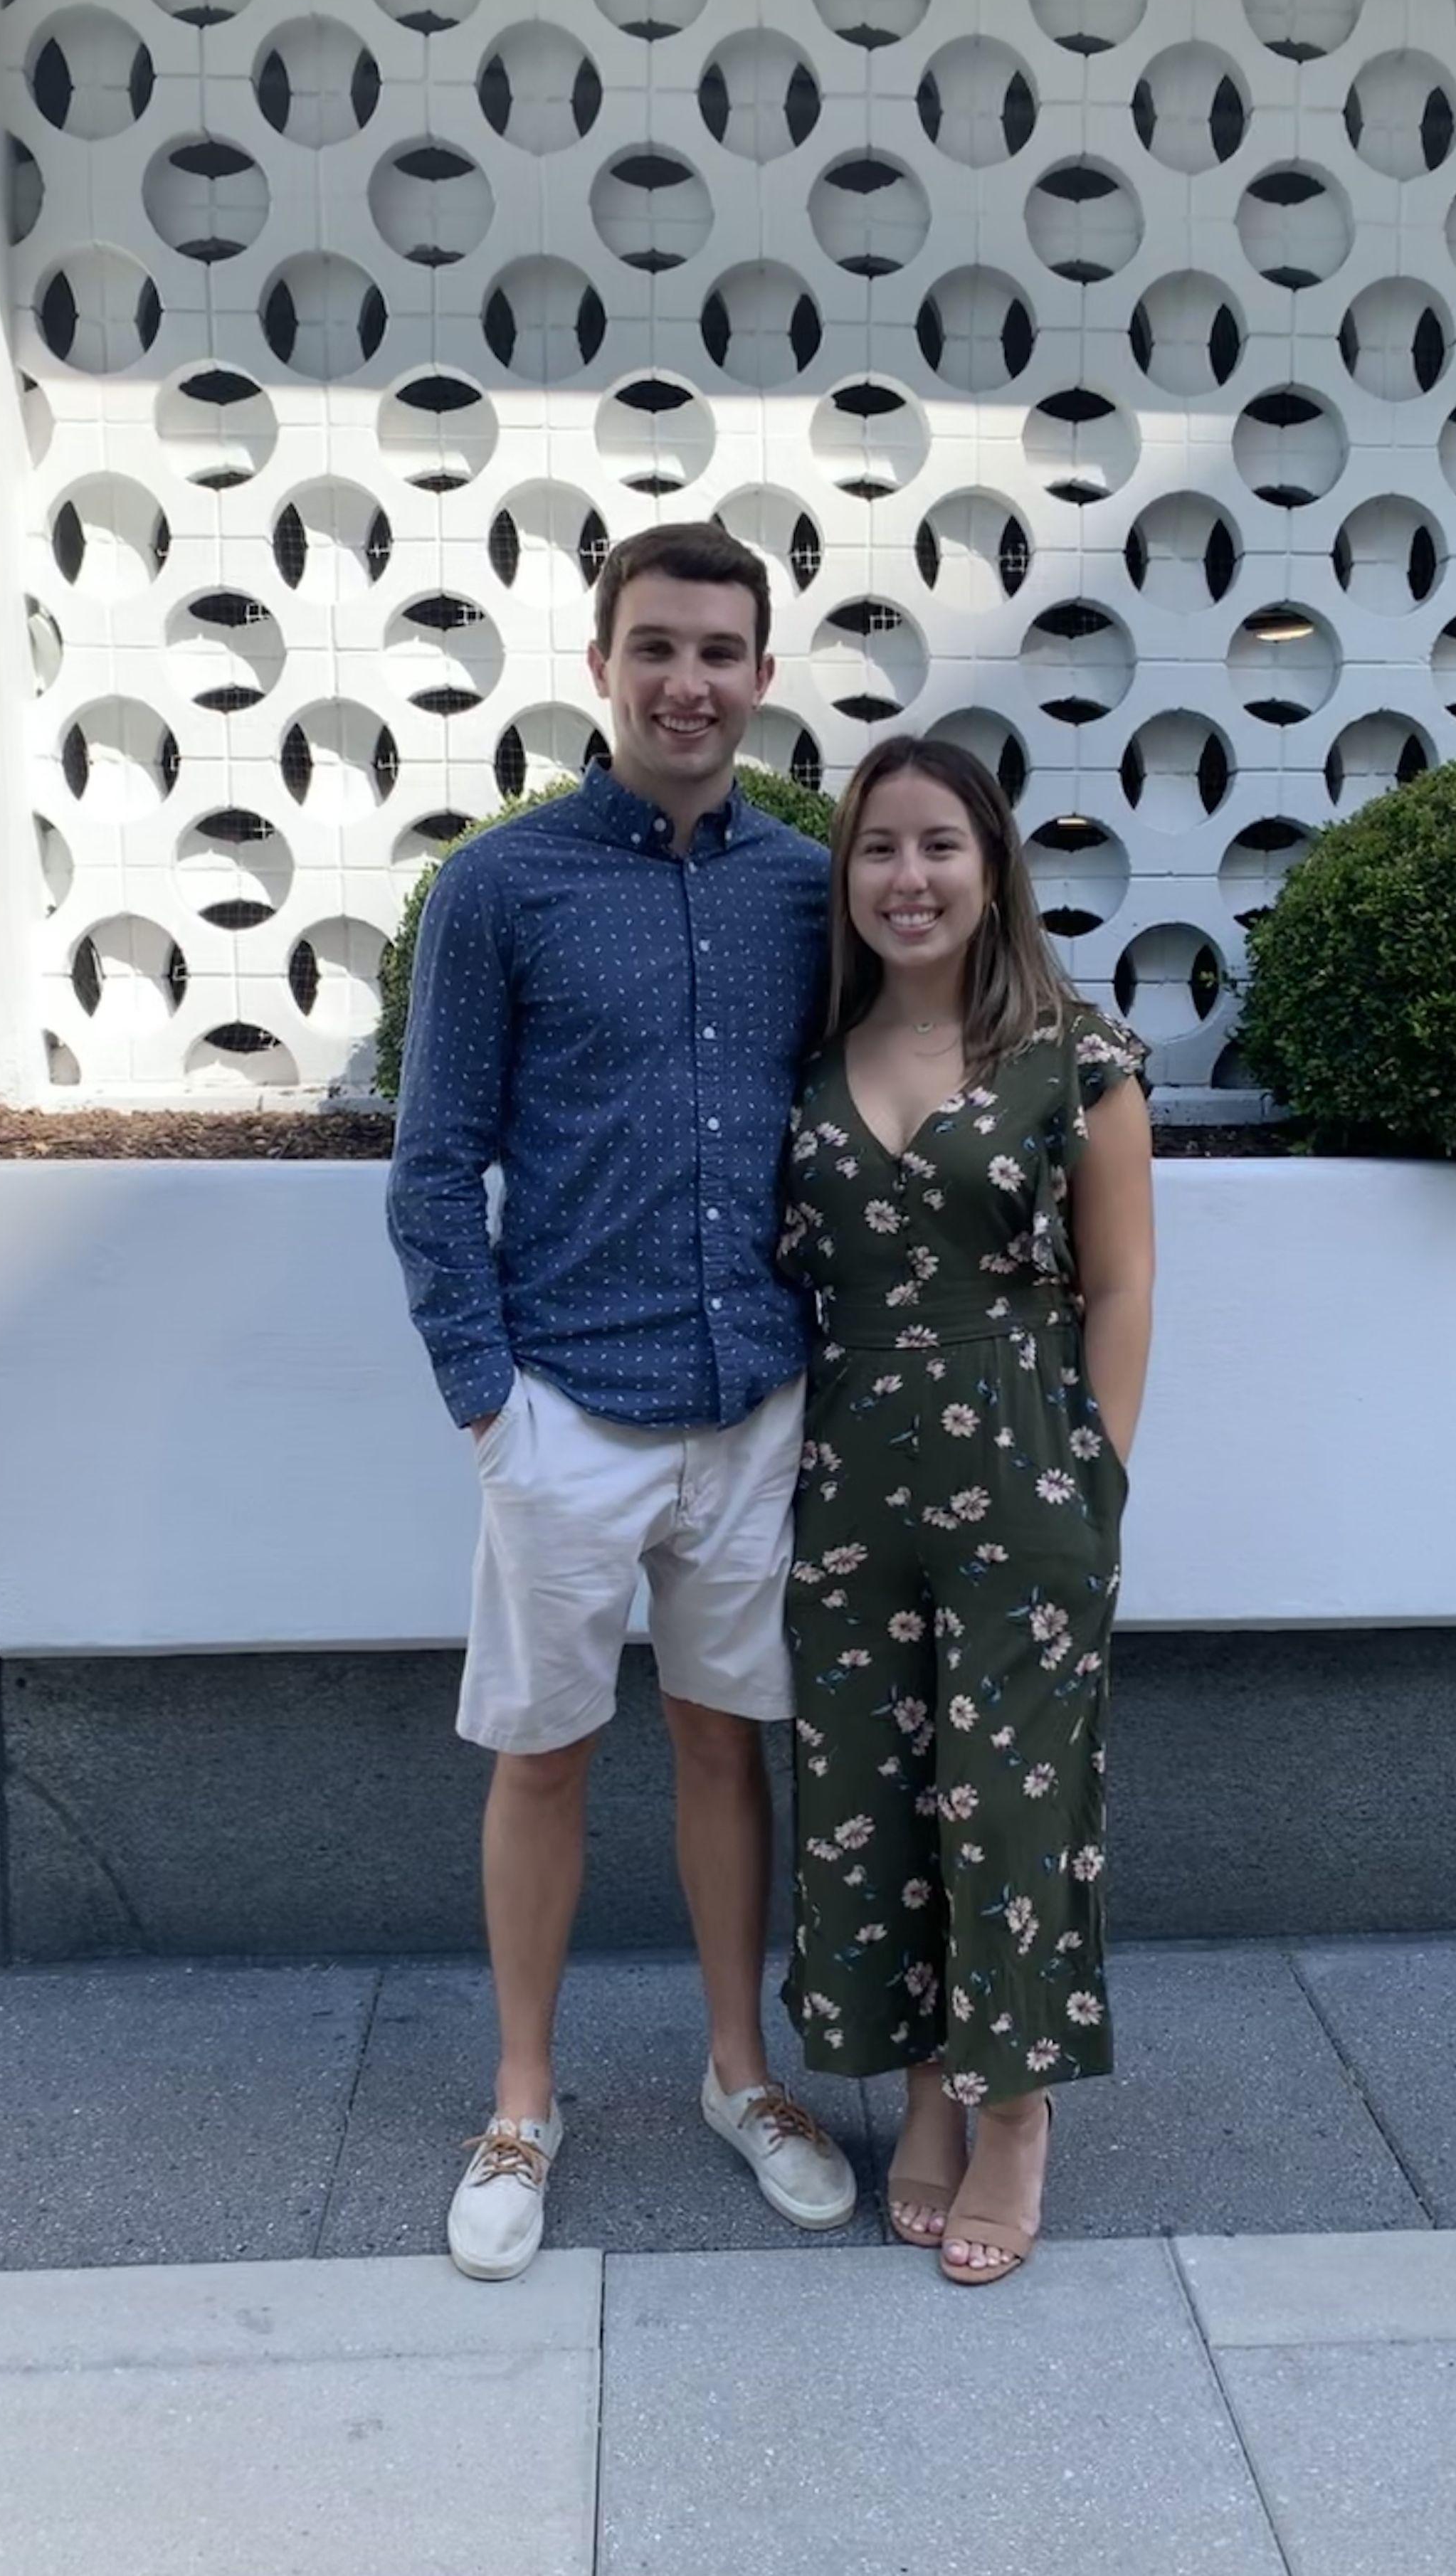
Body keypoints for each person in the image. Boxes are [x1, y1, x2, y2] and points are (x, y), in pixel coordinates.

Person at [386, 522, 860, 2281]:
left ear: (762, 674)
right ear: (600, 666)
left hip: (755, 1403)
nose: (688, 681)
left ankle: (743, 2072)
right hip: (567, 1406)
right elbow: (433, 1167)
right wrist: (487, 1407)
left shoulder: (809, 887)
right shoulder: (499, 888)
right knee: (545, 1752)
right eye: (655, 646)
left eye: (720, 650)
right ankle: (525, 2099)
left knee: (728, 1741)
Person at [775, 733, 1155, 2284]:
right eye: (878, 847)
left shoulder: (1079, 1056)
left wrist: (1096, 1471)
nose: (908, 876)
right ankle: (927, 2076)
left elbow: (1121, 1284)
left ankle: (1013, 2111)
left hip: (1021, 1461)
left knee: (1006, 1803)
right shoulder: (809, 1057)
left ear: (991, 867)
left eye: (939, 844)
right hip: (848, 1474)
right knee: (875, 1796)